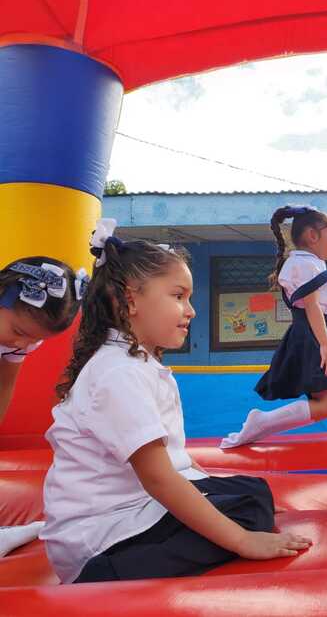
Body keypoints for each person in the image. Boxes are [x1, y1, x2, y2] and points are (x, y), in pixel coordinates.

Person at [40, 219, 311, 583]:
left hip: (131, 512)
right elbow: (159, 478)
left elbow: (173, 463)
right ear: (129, 300)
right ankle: (110, 574)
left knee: (252, 493)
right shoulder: (117, 372)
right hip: (102, 538)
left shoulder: (134, 363)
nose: (191, 310)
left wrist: (213, 490)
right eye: (178, 296)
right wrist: (243, 541)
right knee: (246, 512)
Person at [220, 206, 327, 448]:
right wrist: (325, 346)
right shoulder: (305, 264)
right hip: (313, 335)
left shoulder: (308, 263)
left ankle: (261, 424)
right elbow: (312, 307)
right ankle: (261, 422)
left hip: (315, 332)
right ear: (312, 235)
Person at [0, 256, 84, 426]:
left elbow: (4, 386)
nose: (23, 345)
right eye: (18, 332)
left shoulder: (17, 343)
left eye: (36, 340)